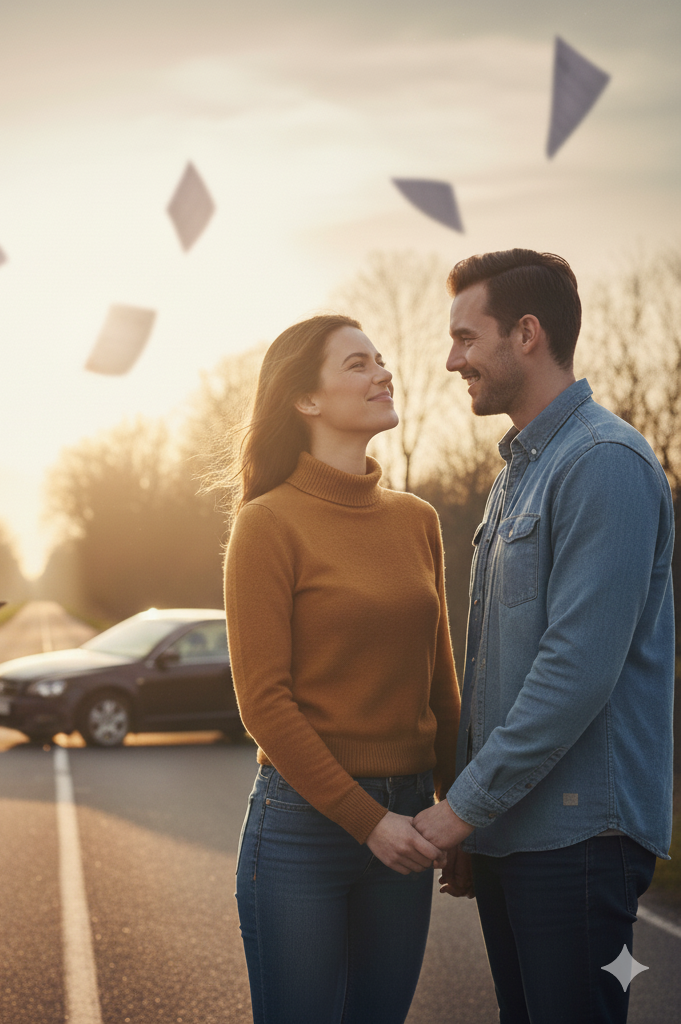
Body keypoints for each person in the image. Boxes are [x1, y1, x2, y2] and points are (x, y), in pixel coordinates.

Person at [413, 249, 674, 1024]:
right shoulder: (517, 475)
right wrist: (479, 822)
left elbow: (574, 674)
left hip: (579, 840)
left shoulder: (603, 462)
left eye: (466, 337)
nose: (453, 360)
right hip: (516, 833)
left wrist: (462, 808)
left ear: (527, 334)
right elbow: (494, 666)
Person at [224, 314, 462, 1024]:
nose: (383, 373)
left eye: (380, 360)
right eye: (358, 364)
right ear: (305, 398)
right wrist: (368, 822)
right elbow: (264, 704)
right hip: (303, 826)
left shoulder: (417, 519)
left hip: (413, 817)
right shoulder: (266, 523)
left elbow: (441, 686)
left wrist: (458, 810)